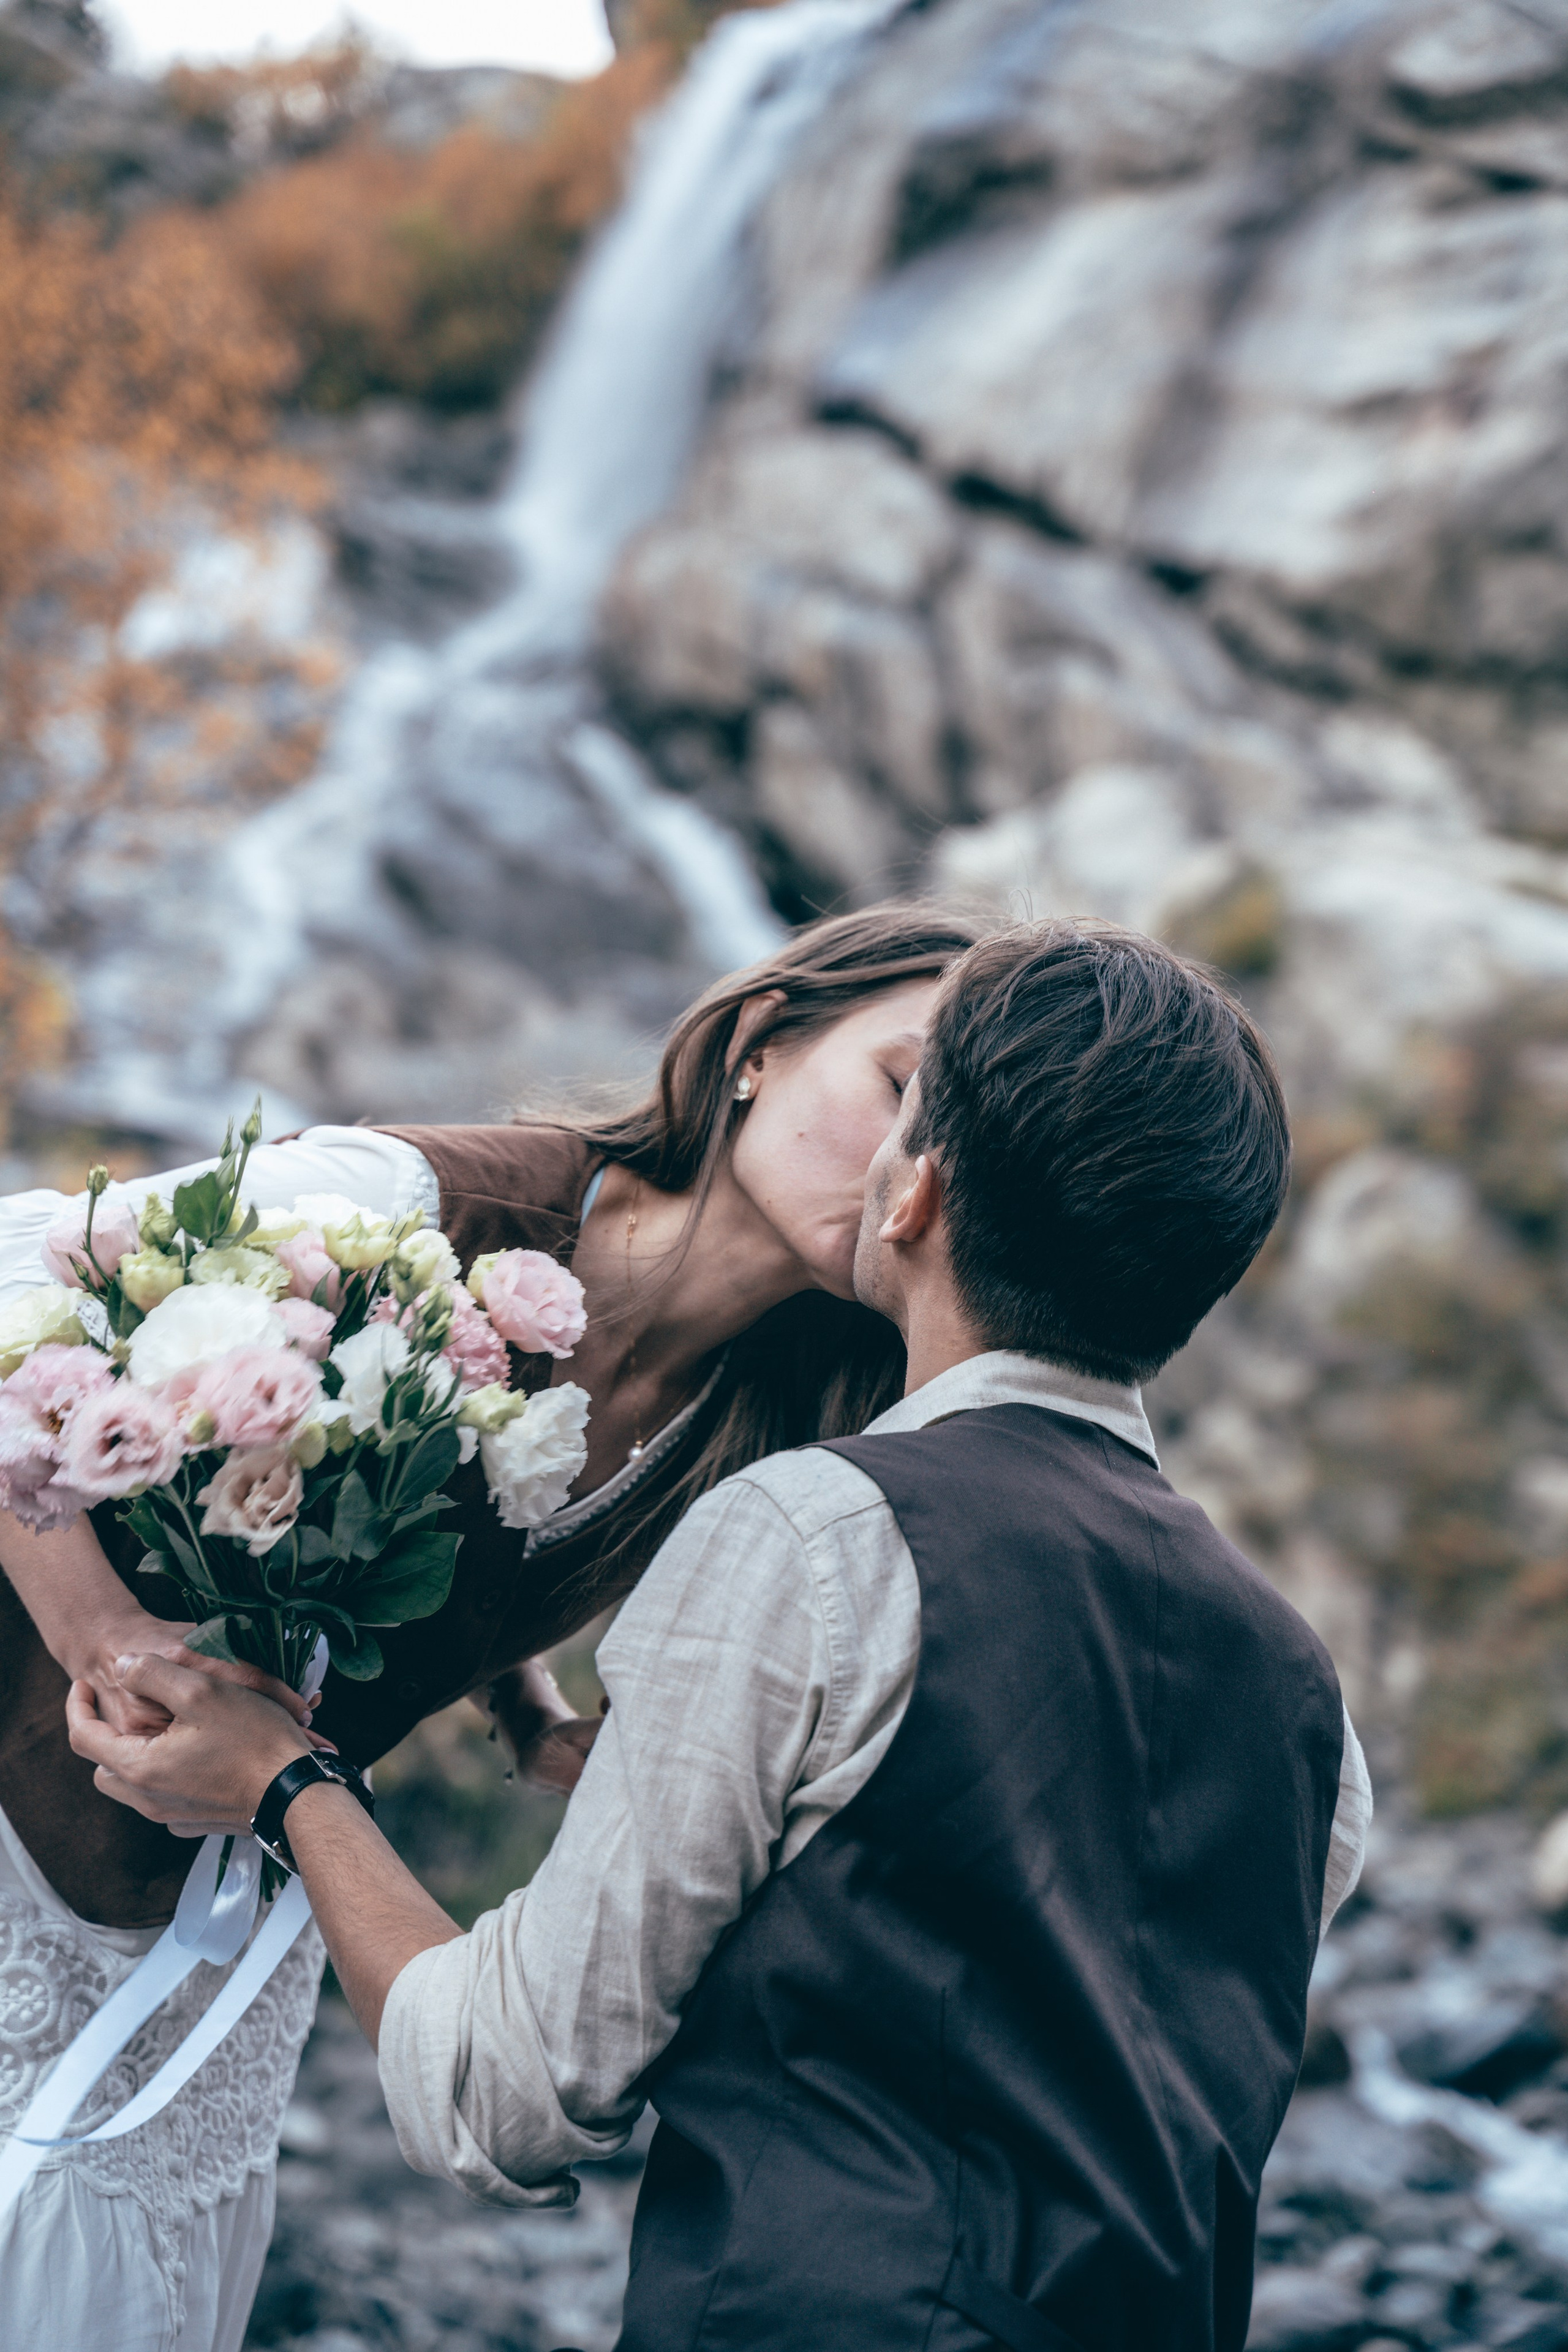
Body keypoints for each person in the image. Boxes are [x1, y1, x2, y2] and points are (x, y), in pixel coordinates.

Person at [76, 918, 1372, 2352]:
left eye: (908, 1110)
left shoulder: (811, 1535)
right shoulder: (1308, 1703)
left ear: (913, 1193)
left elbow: (500, 2094)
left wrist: (286, 1783)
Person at [0, 903, 981, 2352]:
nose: (909, 1160)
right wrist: (97, 1626)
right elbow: (11, 1291)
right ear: (759, 1045)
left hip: (217, 1930)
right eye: (896, 1086)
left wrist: (523, 1704)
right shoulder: (410, 1204)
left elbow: (453, 1524)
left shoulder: (768, 1412)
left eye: (955, 1142)